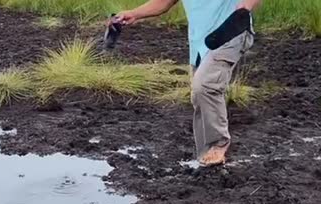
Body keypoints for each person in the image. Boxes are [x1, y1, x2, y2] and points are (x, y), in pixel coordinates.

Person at [111, 0, 262, 166]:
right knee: (198, 97)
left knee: (205, 85)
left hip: (231, 32)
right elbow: (163, 3)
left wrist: (246, 6)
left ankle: (218, 144)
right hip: (201, 41)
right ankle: (207, 159)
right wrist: (134, 13)